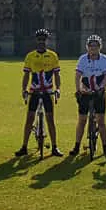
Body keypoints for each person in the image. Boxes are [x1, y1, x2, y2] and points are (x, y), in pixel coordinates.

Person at [15, 28, 63, 157]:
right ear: (36, 41)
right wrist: (24, 89)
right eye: (39, 40)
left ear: (47, 41)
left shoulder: (53, 55)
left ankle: (54, 147)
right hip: (34, 91)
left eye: (44, 40)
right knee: (29, 119)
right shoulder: (30, 56)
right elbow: (26, 75)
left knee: (50, 119)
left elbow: (57, 75)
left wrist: (58, 89)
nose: (42, 42)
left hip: (48, 91)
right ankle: (24, 146)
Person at [71, 34, 106, 157]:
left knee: (101, 121)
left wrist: (102, 88)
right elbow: (78, 76)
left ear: (100, 47)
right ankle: (77, 146)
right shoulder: (83, 59)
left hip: (99, 91)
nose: (93, 48)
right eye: (91, 46)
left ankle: (105, 147)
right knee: (82, 120)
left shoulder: (104, 59)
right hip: (85, 90)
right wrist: (79, 89)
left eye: (95, 46)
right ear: (87, 47)